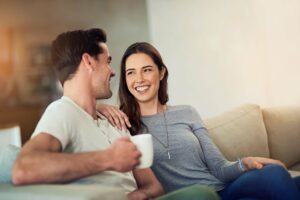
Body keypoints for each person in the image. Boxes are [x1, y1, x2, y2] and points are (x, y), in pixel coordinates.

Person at [100, 42, 300, 200]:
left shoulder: (187, 112)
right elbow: (80, 108)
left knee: (278, 175)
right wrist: (101, 106)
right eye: (131, 72)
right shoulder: (123, 123)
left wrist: (245, 164)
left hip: (223, 190)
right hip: (193, 197)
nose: (139, 79)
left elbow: (219, 168)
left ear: (161, 73)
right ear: (125, 80)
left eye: (147, 70)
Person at [12, 29, 166, 200]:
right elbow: (23, 169)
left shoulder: (113, 119)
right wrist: (109, 158)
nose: (113, 72)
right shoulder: (62, 111)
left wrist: (135, 197)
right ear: (88, 62)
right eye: (107, 61)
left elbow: (154, 186)